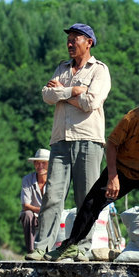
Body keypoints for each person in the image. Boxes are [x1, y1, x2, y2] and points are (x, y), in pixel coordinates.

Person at [46, 79, 139, 264]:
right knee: (91, 204)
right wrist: (112, 176)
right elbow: (112, 144)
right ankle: (70, 246)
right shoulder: (135, 117)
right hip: (123, 169)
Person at [25, 23, 112, 260]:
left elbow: (90, 103)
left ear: (89, 42)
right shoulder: (62, 68)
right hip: (60, 139)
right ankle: (42, 247)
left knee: (86, 197)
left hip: (88, 139)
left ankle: (81, 248)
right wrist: (73, 90)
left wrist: (62, 93)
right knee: (53, 195)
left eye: (75, 39)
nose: (70, 44)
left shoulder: (99, 70)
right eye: (69, 40)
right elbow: (46, 95)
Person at [19, 148, 50, 253]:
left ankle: (49, 250)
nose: (40, 166)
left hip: (50, 214)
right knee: (27, 214)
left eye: (44, 163)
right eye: (37, 163)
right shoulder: (27, 179)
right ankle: (31, 250)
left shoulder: (54, 180)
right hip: (34, 215)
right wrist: (41, 210)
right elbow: (25, 205)